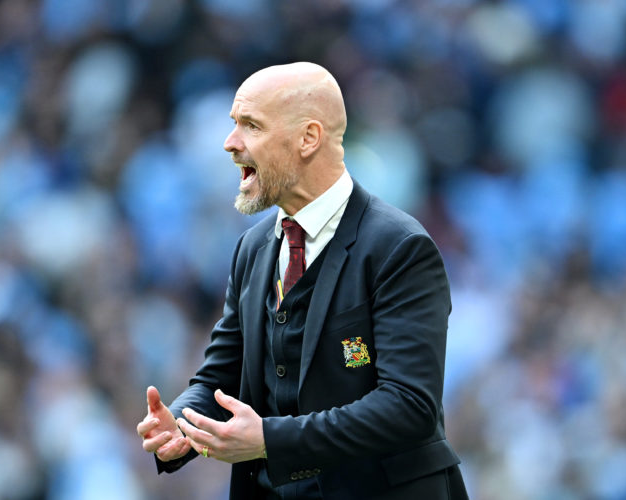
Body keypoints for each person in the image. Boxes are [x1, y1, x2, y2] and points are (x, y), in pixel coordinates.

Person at [136, 62, 468, 500]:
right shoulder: (252, 249)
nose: (230, 143)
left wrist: (270, 440)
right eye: (234, 125)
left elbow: (409, 407)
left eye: (250, 126)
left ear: (308, 138)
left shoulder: (399, 247)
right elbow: (220, 379)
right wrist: (181, 426)